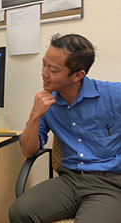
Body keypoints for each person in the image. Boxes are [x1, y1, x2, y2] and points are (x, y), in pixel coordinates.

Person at [8, 34, 121, 223]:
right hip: (69, 181)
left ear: (78, 75)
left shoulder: (113, 95)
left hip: (108, 184)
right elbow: (28, 151)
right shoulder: (46, 102)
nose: (44, 73)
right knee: (19, 212)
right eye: (43, 64)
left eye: (52, 69)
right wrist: (35, 115)